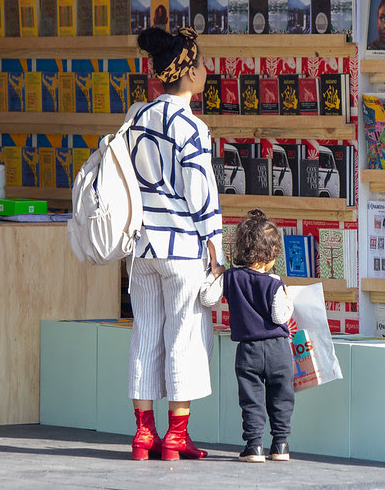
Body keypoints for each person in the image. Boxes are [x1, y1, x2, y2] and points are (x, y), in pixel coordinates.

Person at [127, 26, 224, 462]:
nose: (205, 70)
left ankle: (143, 435)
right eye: (200, 63)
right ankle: (175, 436)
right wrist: (216, 251)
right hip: (183, 249)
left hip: (142, 250)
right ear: (188, 73)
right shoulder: (191, 127)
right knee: (183, 337)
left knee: (146, 336)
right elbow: (201, 194)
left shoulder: (136, 119)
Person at [199, 209, 295, 463]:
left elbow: (207, 298)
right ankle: (281, 445)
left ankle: (254, 447)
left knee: (251, 400)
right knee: (281, 398)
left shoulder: (231, 277)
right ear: (271, 253)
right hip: (277, 350)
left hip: (247, 351)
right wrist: (289, 300)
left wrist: (215, 272)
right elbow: (279, 317)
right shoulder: (275, 282)